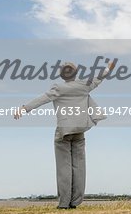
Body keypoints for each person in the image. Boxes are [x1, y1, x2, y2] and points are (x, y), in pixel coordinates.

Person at [14, 61, 112, 209]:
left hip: (63, 132)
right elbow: (100, 77)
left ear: (62, 74)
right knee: (79, 167)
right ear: (75, 73)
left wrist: (24, 108)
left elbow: (42, 98)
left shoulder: (58, 87)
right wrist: (109, 67)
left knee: (63, 168)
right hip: (80, 130)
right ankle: (75, 202)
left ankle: (64, 203)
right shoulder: (84, 85)